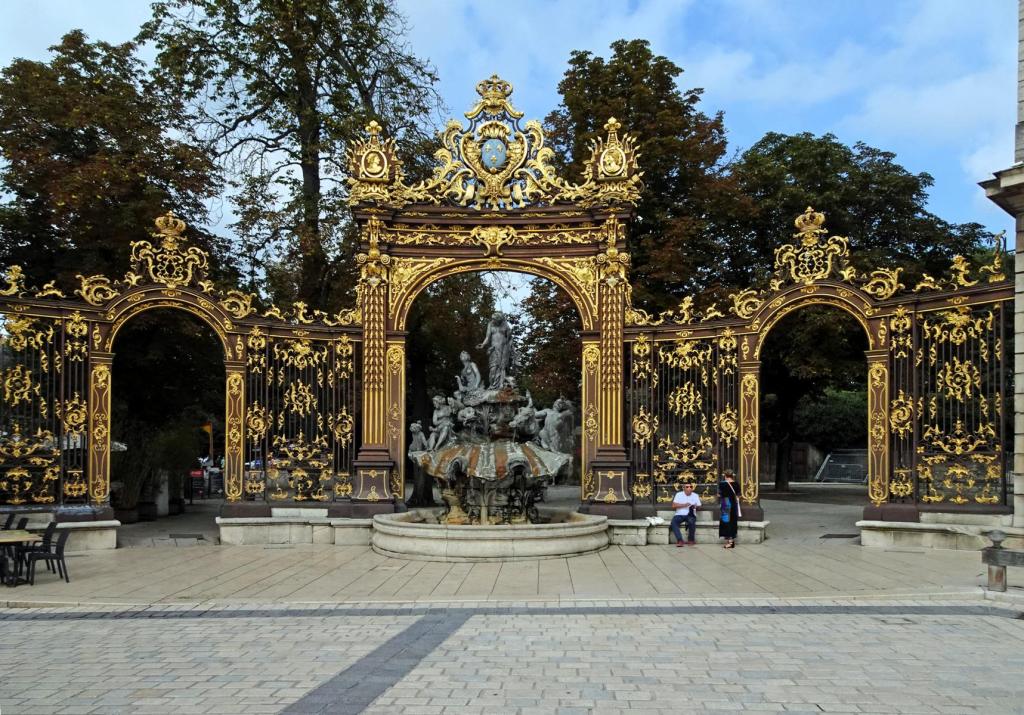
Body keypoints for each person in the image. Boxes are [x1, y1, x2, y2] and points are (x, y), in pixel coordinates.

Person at [478, 311, 513, 388]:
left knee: (502, 368)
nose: (493, 321)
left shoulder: (505, 325)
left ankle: (501, 385)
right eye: (492, 319)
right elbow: (488, 337)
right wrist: (483, 344)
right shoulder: (490, 324)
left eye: (495, 320)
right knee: (493, 368)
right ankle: (492, 384)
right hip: (493, 349)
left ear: (499, 320)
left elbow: (509, 338)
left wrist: (508, 348)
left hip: (503, 349)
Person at [670, 483, 701, 547]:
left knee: (691, 521)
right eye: (687, 487)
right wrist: (684, 505)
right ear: (683, 488)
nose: (689, 488)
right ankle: (680, 540)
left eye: (691, 487)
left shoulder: (695, 495)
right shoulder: (678, 494)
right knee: (674, 522)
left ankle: (691, 540)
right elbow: (673, 505)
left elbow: (699, 506)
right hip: (679, 514)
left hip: (690, 514)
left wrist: (695, 507)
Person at [718, 470, 741, 549]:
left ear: (725, 475)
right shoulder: (736, 484)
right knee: (732, 522)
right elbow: (738, 495)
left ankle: (730, 542)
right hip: (733, 505)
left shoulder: (722, 484)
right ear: (732, 475)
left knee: (726, 522)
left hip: (726, 504)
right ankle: (731, 540)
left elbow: (719, 494)